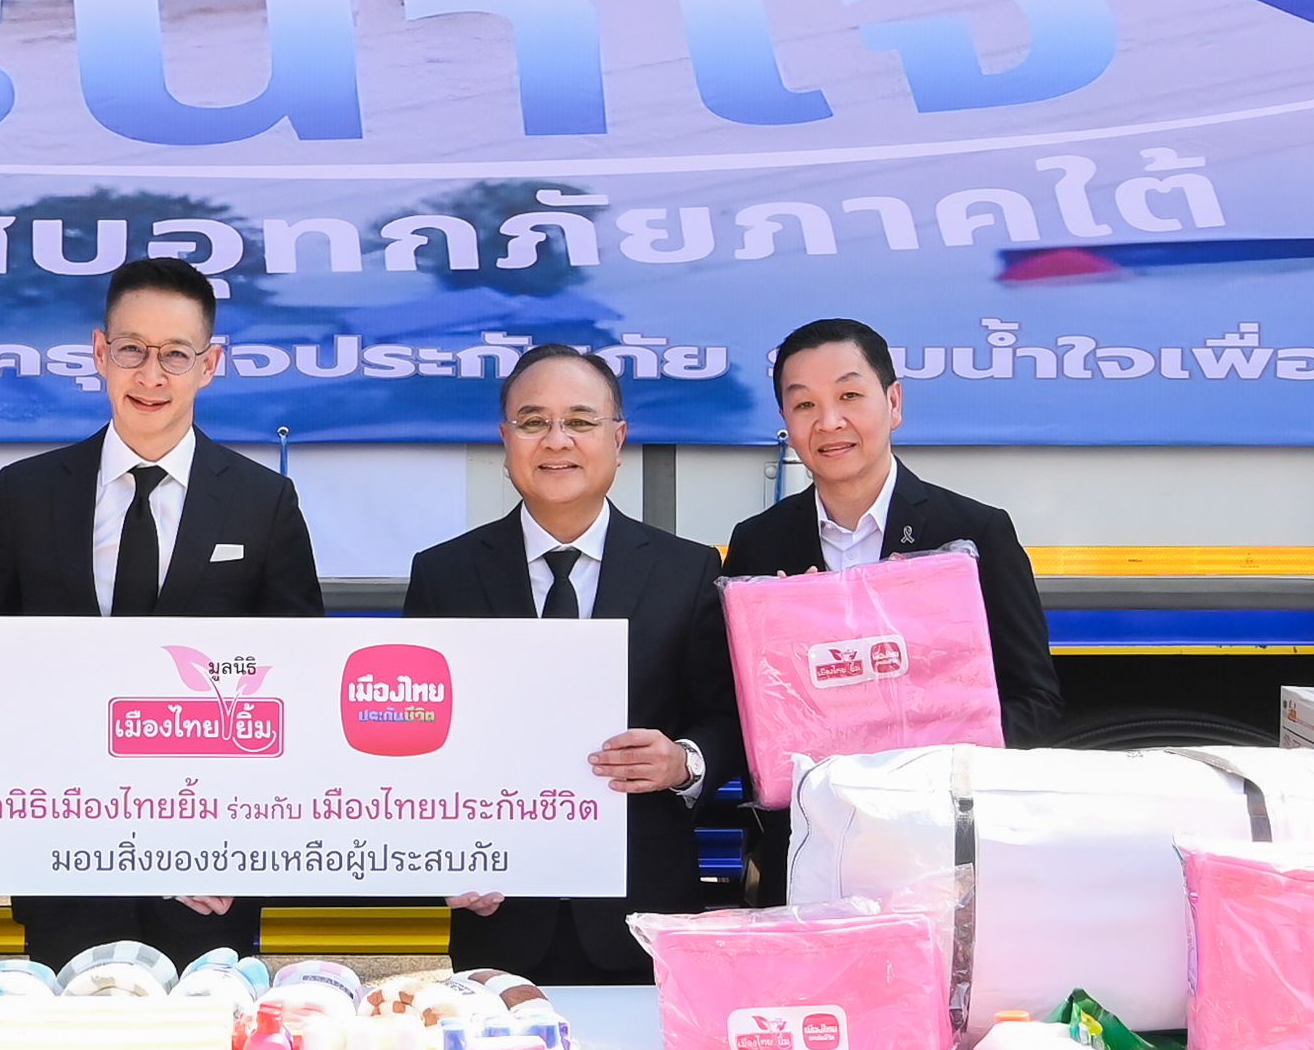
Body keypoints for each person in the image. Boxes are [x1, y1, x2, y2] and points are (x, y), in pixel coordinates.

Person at [0, 258, 324, 969]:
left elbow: (298, 683)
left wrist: (243, 849)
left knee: (203, 1032)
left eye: (175, 354)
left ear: (209, 364)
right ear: (100, 353)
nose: (151, 375)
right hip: (63, 856)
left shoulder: (263, 502)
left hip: (206, 869)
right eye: (132, 350)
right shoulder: (28, 493)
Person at [401, 344, 743, 984]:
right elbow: (413, 737)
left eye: (581, 421)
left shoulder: (687, 570)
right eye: (533, 422)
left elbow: (727, 718)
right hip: (499, 909)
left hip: (643, 912)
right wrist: (443, 858)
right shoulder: (445, 574)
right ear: (506, 441)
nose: (557, 440)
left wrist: (684, 761)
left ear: (619, 438)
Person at [723, 317, 1063, 899]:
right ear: (785, 421)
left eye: (850, 396)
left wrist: (940, 764)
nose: (829, 422)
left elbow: (1036, 703)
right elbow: (738, 713)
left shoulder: (973, 532)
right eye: (804, 405)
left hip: (939, 849)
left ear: (894, 402)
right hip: (808, 850)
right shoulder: (759, 544)